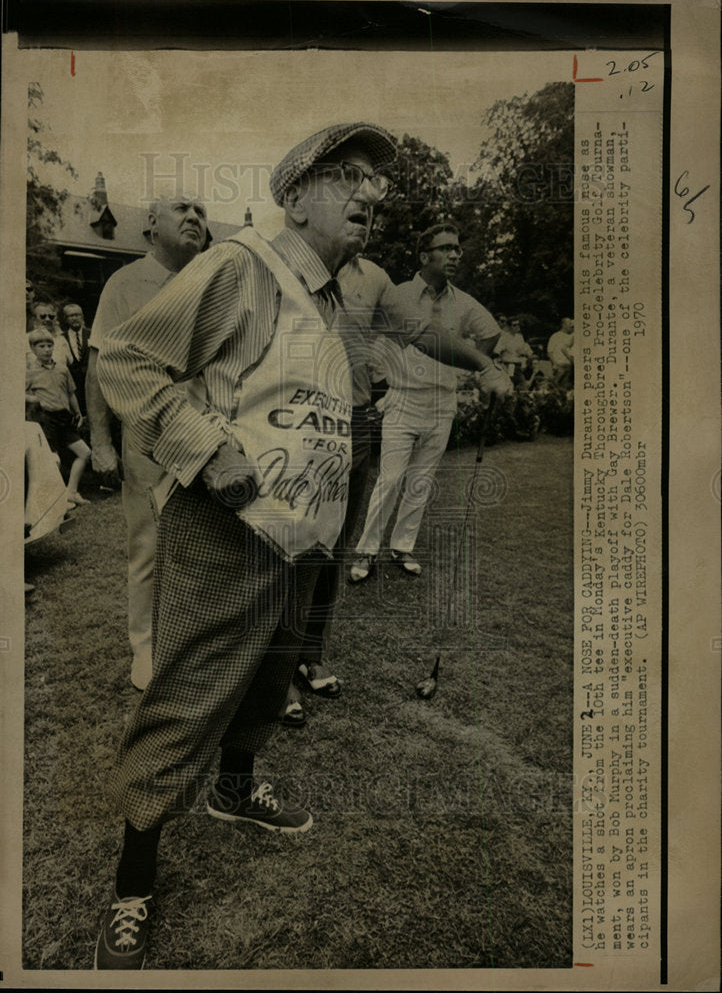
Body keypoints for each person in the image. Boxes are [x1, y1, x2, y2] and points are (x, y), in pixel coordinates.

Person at [92, 121, 429, 970]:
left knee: (271, 670)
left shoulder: (329, 293)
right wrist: (210, 451)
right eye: (349, 175)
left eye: (376, 183)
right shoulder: (244, 264)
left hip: (295, 530)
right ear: (297, 190)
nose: (370, 194)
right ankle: (132, 883)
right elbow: (128, 362)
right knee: (189, 689)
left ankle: (236, 791)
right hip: (225, 521)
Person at [281, 249, 499, 725]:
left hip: (355, 422)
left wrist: (483, 364)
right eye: (346, 188)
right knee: (289, 547)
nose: (361, 208)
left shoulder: (376, 278)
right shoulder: (277, 259)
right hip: (293, 422)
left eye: (368, 196)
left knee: (333, 549)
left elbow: (423, 333)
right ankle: (274, 676)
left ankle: (309, 655)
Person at [85, 194, 209, 690]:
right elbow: (99, 364)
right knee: (149, 546)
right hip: (148, 432)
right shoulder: (125, 282)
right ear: (152, 225)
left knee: (202, 544)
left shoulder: (211, 280)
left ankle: (190, 644)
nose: (195, 218)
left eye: (200, 211)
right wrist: (100, 440)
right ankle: (145, 649)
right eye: (183, 209)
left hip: (208, 432)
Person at [349, 222, 511, 582]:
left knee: (421, 481)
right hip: (403, 398)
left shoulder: (464, 302)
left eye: (458, 249)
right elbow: (374, 341)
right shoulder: (399, 293)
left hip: (442, 402)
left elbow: (490, 331)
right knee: (389, 480)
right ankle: (366, 550)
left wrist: (471, 372)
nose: (455, 255)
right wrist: (382, 383)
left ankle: (402, 546)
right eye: (447, 248)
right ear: (425, 255)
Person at [25, 328, 91, 507]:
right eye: (41, 346)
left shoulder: (62, 368)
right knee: (54, 460)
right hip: (46, 420)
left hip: (64, 417)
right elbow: (18, 395)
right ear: (33, 349)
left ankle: (71, 492)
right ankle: (51, 502)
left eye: (49, 345)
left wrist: (77, 412)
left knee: (84, 453)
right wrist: (35, 399)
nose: (46, 349)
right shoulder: (30, 372)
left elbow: (70, 393)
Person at [59, 303, 91, 413]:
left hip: (91, 380)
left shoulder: (92, 334)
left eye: (77, 315)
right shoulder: (61, 338)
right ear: (65, 319)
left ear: (82, 317)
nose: (75, 318)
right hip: (73, 382)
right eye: (71, 316)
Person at [494, 316, 535, 390]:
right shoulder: (504, 337)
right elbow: (496, 352)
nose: (517, 327)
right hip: (508, 366)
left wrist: (525, 357)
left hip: (518, 367)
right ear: (509, 327)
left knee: (523, 389)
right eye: (514, 325)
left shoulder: (520, 337)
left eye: (518, 324)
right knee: (509, 388)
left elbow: (524, 352)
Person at [547, 316, 574, 390]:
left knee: (565, 389)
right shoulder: (555, 336)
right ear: (563, 325)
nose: (571, 325)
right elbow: (549, 352)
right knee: (555, 387)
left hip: (569, 366)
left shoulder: (571, 337)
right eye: (569, 323)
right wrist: (554, 364)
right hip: (559, 366)